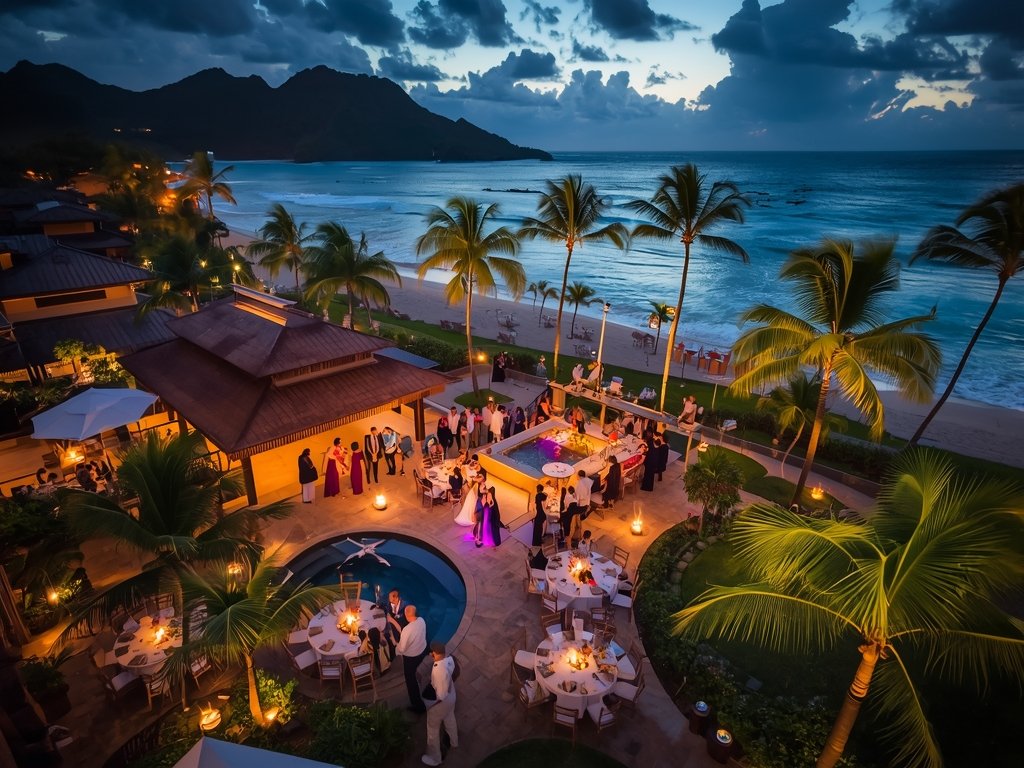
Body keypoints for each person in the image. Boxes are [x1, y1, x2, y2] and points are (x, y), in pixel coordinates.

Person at [421, 641, 458, 766]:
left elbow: (441, 695)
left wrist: (431, 705)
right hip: (452, 694)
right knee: (450, 718)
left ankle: (435, 758)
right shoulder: (449, 660)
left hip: (443, 701)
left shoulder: (438, 670)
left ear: (435, 654)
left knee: (432, 729)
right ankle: (454, 742)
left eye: (432, 652)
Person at [395, 604, 428, 713]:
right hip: (422, 651)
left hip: (411, 658)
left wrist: (396, 646)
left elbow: (402, 649)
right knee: (415, 672)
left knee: (410, 681)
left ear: (406, 615)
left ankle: (418, 706)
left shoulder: (407, 630)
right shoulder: (421, 620)